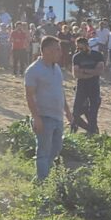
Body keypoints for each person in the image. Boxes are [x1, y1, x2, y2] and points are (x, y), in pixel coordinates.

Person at [25, 36, 73, 181]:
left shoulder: (57, 68)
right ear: (46, 50)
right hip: (44, 117)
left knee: (56, 149)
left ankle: (42, 177)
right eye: (56, 49)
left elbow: (60, 91)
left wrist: (68, 112)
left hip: (57, 116)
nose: (60, 52)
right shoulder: (33, 70)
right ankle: (42, 182)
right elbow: (30, 96)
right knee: (43, 152)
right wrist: (36, 117)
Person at [71, 37, 105, 135]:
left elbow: (100, 71)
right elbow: (76, 74)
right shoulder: (76, 57)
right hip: (81, 86)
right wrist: (91, 73)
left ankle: (93, 131)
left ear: (87, 46)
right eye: (78, 48)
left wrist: (84, 71)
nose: (79, 51)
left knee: (93, 112)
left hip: (94, 86)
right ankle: (88, 129)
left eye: (81, 48)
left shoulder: (97, 55)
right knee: (76, 113)